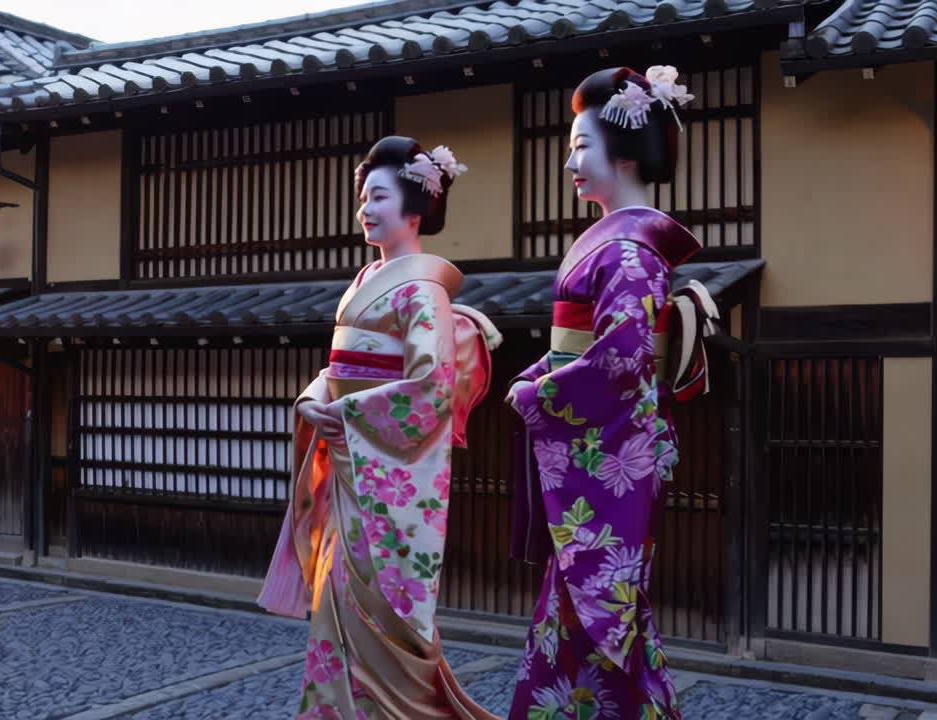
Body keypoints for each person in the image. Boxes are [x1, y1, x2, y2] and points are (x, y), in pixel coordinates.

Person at [259, 135, 500, 720]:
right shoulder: (367, 279)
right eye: (363, 196)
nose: (366, 208)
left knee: (375, 605)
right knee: (334, 599)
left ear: (415, 208)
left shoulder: (422, 290)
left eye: (380, 196)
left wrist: (343, 412)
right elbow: (340, 366)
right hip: (352, 466)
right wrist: (314, 398)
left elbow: (432, 387)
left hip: (382, 473)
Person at [506, 66, 698, 720]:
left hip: (615, 449)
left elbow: (625, 356)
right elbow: (583, 347)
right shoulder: (620, 243)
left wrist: (539, 397)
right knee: (600, 617)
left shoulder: (629, 250)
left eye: (580, 147)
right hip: (613, 441)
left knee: (592, 611)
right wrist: (541, 373)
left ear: (622, 151)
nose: (570, 163)